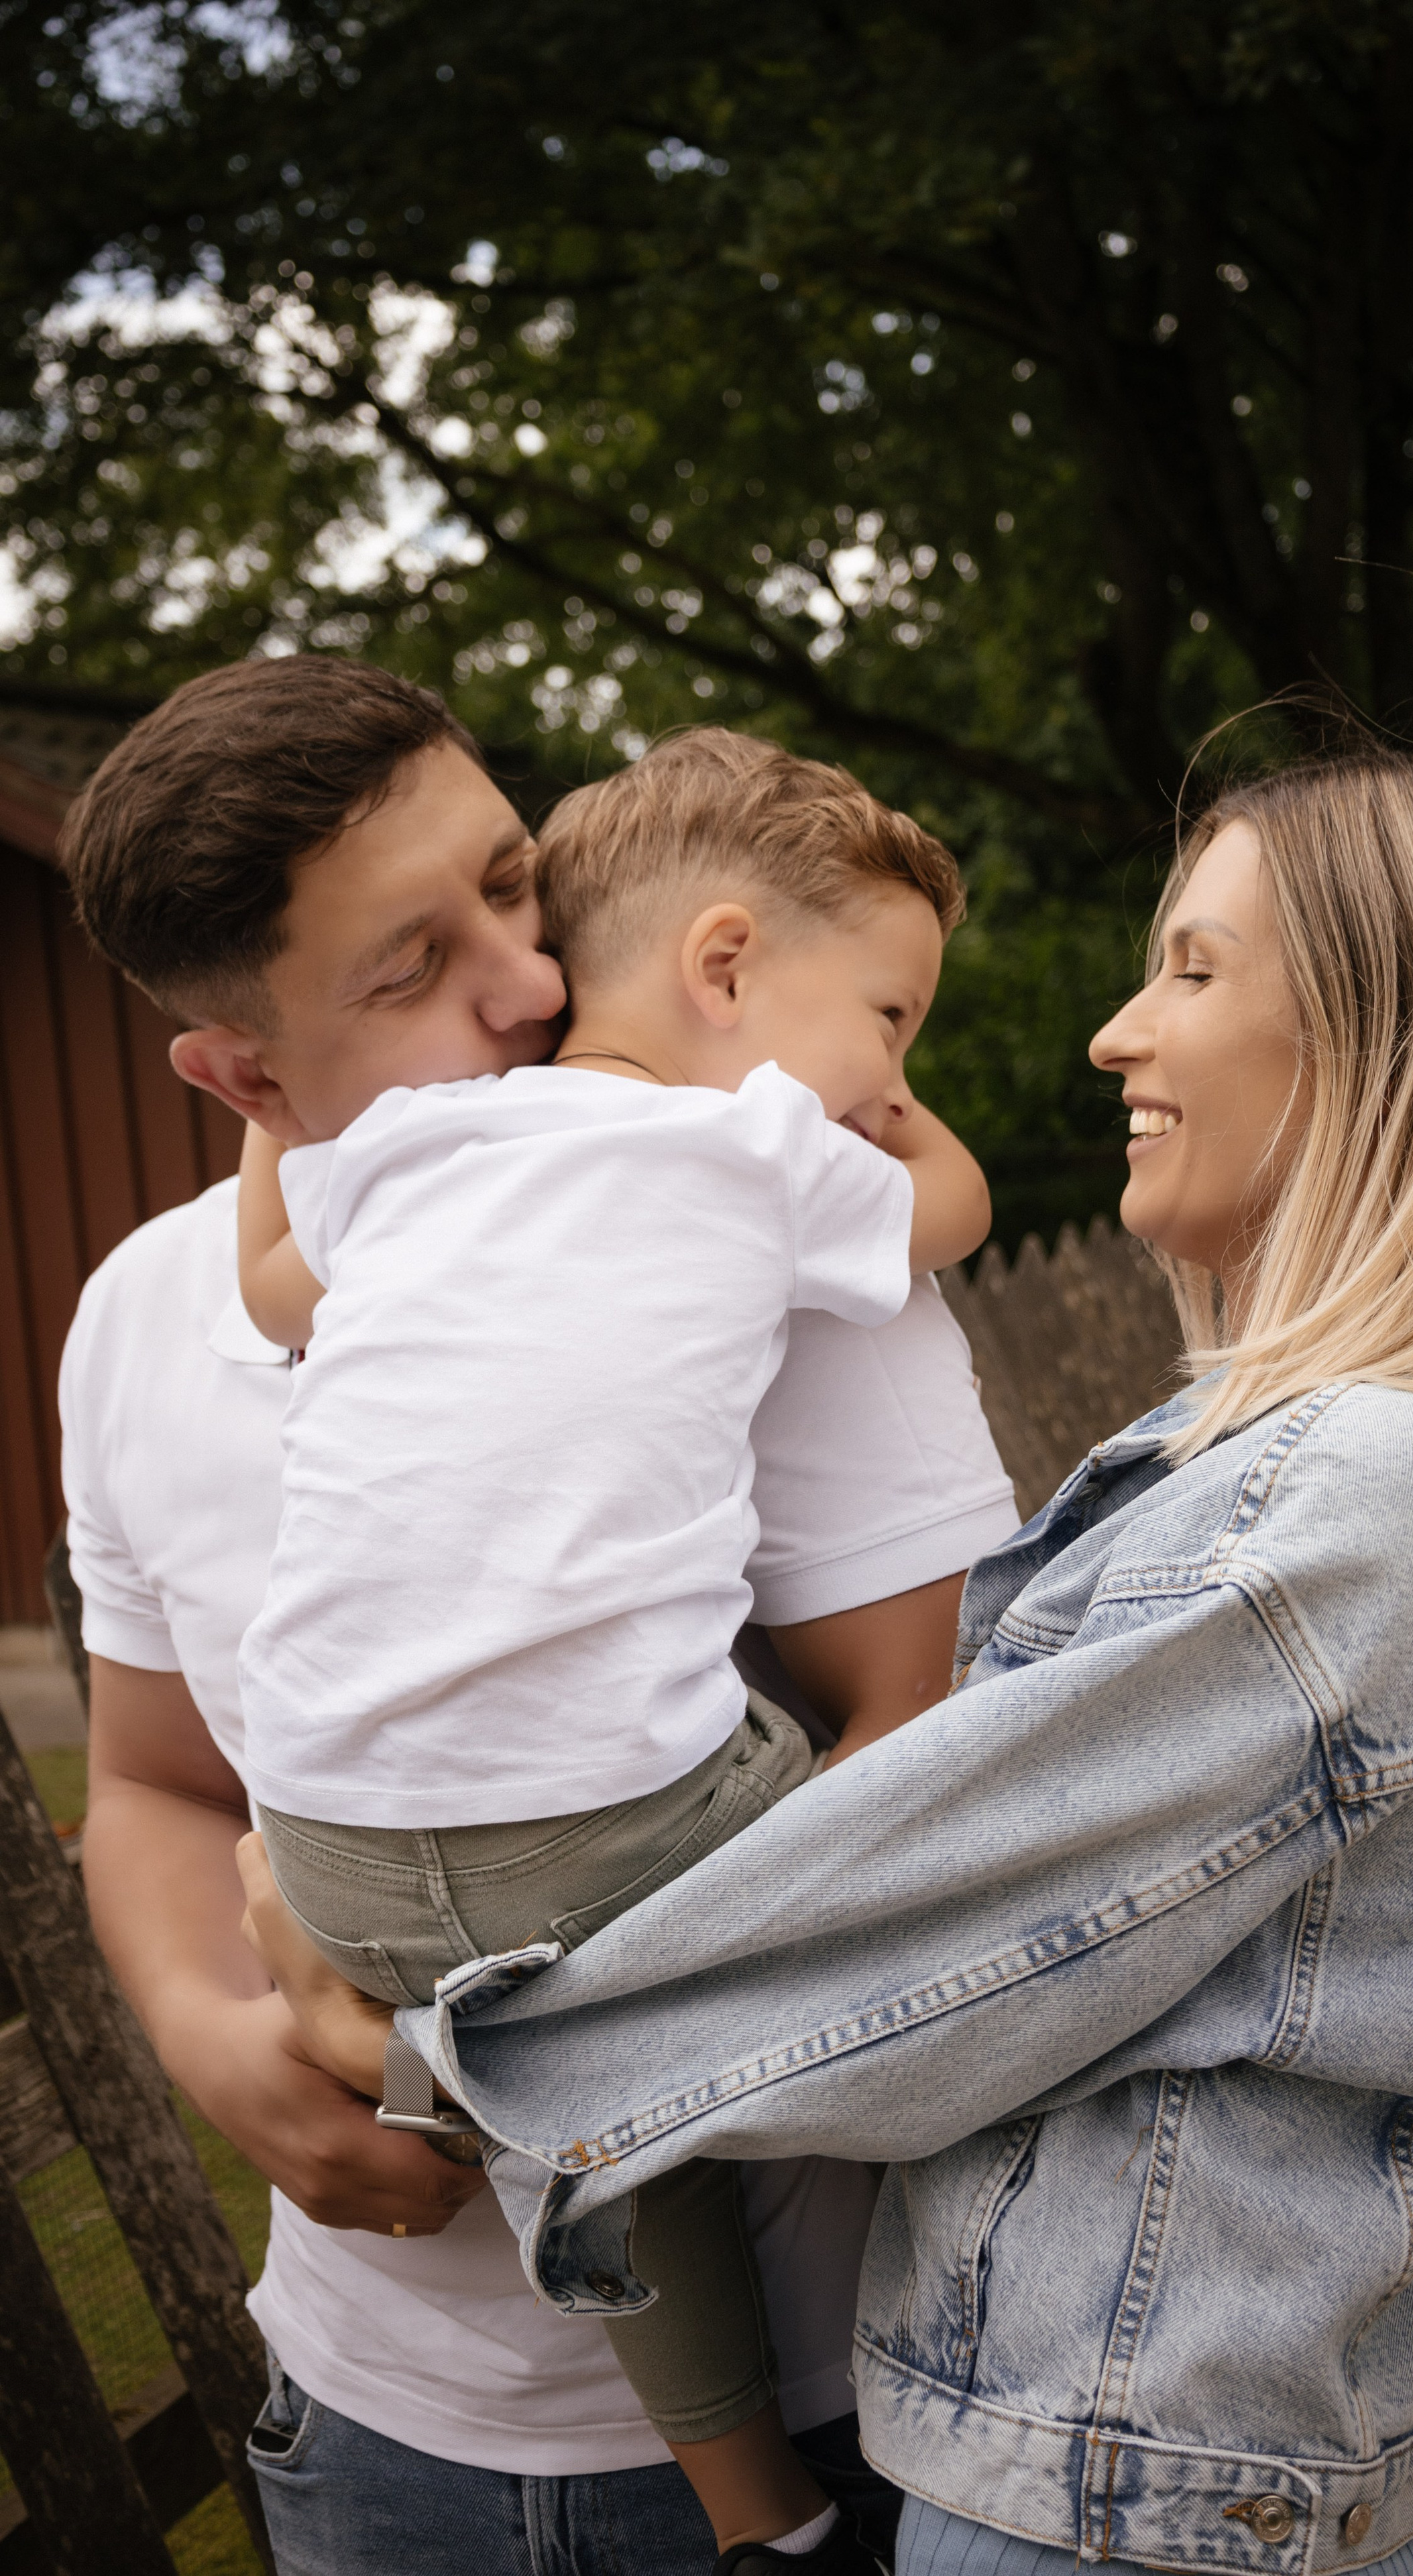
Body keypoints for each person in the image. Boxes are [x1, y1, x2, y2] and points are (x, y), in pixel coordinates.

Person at [250, 749, 1413, 2576]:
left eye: (1189, 967)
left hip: (1126, 2509)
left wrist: (401, 2042)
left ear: (1391, 1040)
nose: (1115, 1032)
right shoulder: (1359, 1464)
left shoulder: (1354, 1506)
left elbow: (920, 1943)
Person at [57, 657, 1019, 2576]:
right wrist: (211, 2021)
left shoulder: (782, 1262)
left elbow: (917, 1753)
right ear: (246, 1076)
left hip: (835, 2370)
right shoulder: (143, 1317)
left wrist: (449, 2031)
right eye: (409, 968)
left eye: (511, 878)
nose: (521, 974)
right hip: (363, 2422)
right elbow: (153, 1779)